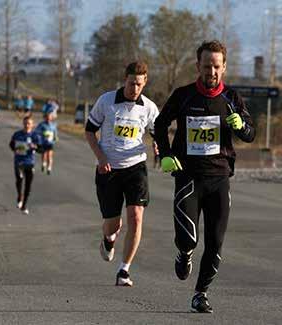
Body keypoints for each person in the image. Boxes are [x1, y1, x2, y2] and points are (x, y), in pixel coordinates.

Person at [154, 40, 256, 313]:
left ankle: (201, 293)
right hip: (188, 176)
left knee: (215, 241)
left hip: (219, 178)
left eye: (216, 66)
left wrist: (241, 126)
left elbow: (250, 133)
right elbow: (160, 124)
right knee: (189, 239)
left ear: (224, 68)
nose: (211, 71)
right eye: (206, 66)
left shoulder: (232, 98)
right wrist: (164, 153)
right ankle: (184, 253)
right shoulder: (184, 95)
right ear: (198, 66)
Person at [85, 61, 159, 286]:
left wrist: (159, 145)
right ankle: (108, 240)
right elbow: (89, 131)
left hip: (136, 167)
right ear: (124, 80)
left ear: (144, 82)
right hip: (109, 169)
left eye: (139, 84)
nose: (134, 88)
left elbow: (158, 132)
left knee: (136, 217)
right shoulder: (106, 101)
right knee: (113, 224)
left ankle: (124, 270)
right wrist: (101, 158)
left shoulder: (149, 107)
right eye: (130, 83)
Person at [9, 116, 40, 214]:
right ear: (23, 124)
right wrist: (16, 148)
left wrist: (35, 147)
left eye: (29, 123)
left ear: (32, 125)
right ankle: (19, 196)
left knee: (28, 185)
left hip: (29, 162)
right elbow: (11, 145)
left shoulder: (35, 136)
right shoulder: (17, 134)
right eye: (25, 123)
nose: (27, 125)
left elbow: (41, 149)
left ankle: (24, 205)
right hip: (19, 161)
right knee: (19, 179)